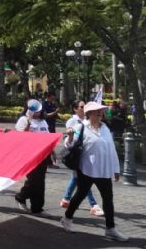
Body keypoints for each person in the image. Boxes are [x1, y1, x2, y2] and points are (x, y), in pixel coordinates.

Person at [60, 101, 128, 242]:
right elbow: (69, 144)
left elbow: (111, 150)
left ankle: (110, 229)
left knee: (108, 199)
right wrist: (71, 136)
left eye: (101, 111)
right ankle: (67, 219)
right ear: (89, 114)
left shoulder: (105, 128)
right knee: (79, 196)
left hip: (103, 170)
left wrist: (116, 169)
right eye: (97, 111)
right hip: (86, 170)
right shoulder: (81, 127)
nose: (100, 113)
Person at [60, 100, 103, 216]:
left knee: (77, 179)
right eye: (81, 107)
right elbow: (70, 139)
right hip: (77, 156)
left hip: (86, 156)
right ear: (75, 108)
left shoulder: (88, 122)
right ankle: (93, 205)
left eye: (85, 107)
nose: (83, 109)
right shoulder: (73, 121)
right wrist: (70, 135)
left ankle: (66, 199)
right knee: (84, 181)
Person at [14, 99, 50, 214]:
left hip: (42, 154)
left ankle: (37, 208)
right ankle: (21, 196)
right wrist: (28, 122)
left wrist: (52, 152)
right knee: (33, 180)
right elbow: (21, 137)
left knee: (40, 182)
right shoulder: (23, 120)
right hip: (29, 155)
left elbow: (48, 137)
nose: (38, 113)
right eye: (35, 111)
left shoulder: (43, 122)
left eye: (39, 111)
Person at [42, 91, 60, 168]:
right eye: (53, 96)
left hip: (52, 127)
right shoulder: (43, 104)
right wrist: (55, 112)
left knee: (51, 145)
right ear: (49, 96)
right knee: (47, 145)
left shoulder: (53, 104)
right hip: (46, 127)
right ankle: (48, 162)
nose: (54, 98)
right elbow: (45, 115)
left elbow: (55, 115)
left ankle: (48, 162)